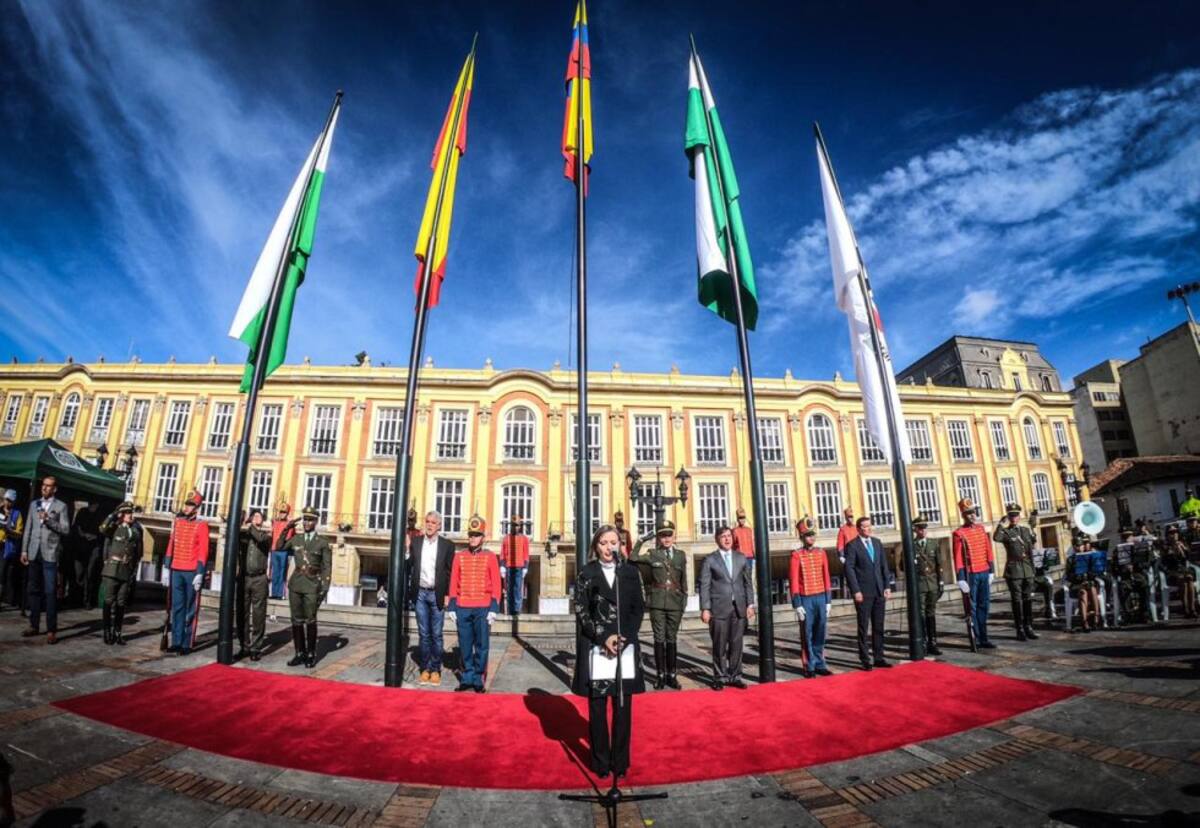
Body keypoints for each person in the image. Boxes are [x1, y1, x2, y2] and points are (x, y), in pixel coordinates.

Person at [572, 524, 645, 780]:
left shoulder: (630, 572)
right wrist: (604, 637)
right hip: (597, 647)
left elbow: (638, 608)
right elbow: (581, 610)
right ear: (596, 546)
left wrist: (623, 637)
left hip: (624, 645)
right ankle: (601, 761)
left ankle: (621, 761)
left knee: (623, 706)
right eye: (603, 542)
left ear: (620, 545)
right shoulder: (586, 573)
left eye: (613, 542)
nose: (608, 547)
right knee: (598, 707)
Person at [448, 514, 502, 693]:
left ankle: (479, 678)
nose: (473, 538)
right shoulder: (459, 556)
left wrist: (494, 607)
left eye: (477, 535)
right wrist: (452, 605)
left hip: (483, 606)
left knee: (481, 645)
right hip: (463, 606)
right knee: (464, 644)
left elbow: (496, 583)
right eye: (471, 534)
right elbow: (454, 580)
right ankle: (467, 676)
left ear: (483, 537)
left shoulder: (491, 557)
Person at [631, 519, 687, 689]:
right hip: (657, 602)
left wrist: (683, 602)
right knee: (659, 639)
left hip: (675, 602)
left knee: (672, 639)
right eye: (662, 535)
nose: (666, 539)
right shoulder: (653, 554)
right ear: (658, 538)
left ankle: (672, 675)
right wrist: (641, 540)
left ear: (674, 535)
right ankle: (660, 675)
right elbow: (633, 558)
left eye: (669, 535)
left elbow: (684, 581)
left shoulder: (681, 555)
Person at [699, 525, 756, 690]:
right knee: (719, 645)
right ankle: (719, 677)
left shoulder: (741, 557)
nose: (727, 539)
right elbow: (704, 585)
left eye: (729, 536)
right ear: (717, 539)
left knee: (737, 644)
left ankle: (735, 675)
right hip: (718, 609)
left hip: (739, 607)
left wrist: (750, 604)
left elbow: (748, 583)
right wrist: (705, 608)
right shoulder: (710, 560)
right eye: (723, 536)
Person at [408, 510, 455, 686]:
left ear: (439, 526)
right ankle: (425, 668)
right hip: (420, 593)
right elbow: (409, 564)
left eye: (433, 522)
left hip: (437, 594)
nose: (429, 525)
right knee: (423, 633)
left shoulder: (447, 545)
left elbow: (450, 572)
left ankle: (436, 669)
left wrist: (448, 595)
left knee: (436, 634)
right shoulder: (416, 542)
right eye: (427, 521)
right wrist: (406, 551)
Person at [22, 476, 69, 644]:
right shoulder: (34, 504)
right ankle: (34, 625)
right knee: (33, 589)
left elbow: (65, 529)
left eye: (48, 486)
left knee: (50, 592)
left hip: (50, 553)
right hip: (34, 552)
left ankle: (51, 629)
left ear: (54, 489)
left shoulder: (61, 507)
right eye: (43, 485)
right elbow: (28, 528)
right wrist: (24, 550)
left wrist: (49, 520)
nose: (44, 488)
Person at [282, 507, 331, 668]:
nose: (306, 523)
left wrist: (324, 587)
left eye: (310, 520)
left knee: (310, 619)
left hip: (312, 585)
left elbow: (326, 567)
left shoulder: (322, 542)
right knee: (296, 619)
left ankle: (311, 653)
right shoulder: (296, 539)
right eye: (305, 519)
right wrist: (287, 527)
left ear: (316, 522)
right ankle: (299, 653)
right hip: (296, 583)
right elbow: (278, 546)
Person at [842, 516, 893, 670]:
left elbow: (884, 565)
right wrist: (855, 590)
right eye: (865, 526)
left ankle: (879, 657)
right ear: (858, 529)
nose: (869, 528)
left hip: (879, 591)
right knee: (863, 626)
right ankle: (865, 658)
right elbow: (849, 569)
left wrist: (887, 585)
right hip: (863, 593)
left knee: (879, 626)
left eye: (870, 526)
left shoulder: (877, 543)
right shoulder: (852, 546)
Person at [164, 490, 210, 655]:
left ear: (196, 508)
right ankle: (176, 641)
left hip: (191, 571)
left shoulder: (202, 525)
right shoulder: (178, 521)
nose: (186, 507)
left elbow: (203, 549)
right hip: (176, 568)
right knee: (177, 607)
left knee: (190, 609)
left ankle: (186, 643)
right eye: (186, 504)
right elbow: (172, 542)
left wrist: (200, 572)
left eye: (190, 505)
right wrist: (167, 564)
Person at [789, 517, 832, 677]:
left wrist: (828, 600)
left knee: (820, 630)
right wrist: (797, 604)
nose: (811, 538)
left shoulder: (821, 553)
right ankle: (809, 665)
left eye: (812, 535)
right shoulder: (796, 555)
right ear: (802, 537)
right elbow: (793, 580)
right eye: (808, 535)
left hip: (820, 596)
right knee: (807, 633)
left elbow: (826, 575)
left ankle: (820, 663)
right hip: (806, 599)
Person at [953, 498, 996, 649]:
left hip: (984, 571)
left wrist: (991, 570)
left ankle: (984, 637)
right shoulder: (959, 533)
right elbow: (958, 557)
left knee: (984, 606)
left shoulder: (981, 529)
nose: (972, 515)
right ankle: (976, 638)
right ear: (963, 515)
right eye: (968, 513)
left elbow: (988, 550)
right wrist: (961, 578)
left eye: (973, 512)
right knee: (973, 608)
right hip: (971, 574)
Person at [97, 501, 142, 645]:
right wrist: (113, 515)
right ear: (122, 515)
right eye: (127, 513)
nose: (130, 515)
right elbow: (102, 529)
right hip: (112, 569)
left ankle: (117, 633)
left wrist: (133, 569)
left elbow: (138, 552)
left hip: (125, 570)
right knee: (109, 601)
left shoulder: (134, 531)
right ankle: (107, 632)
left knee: (121, 602)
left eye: (131, 513)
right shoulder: (115, 528)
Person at [993, 503, 1039, 642]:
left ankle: (1029, 627)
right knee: (1017, 601)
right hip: (1014, 570)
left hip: (1027, 568)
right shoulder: (1006, 532)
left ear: (1019, 516)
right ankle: (1019, 629)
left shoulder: (1025, 530)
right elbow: (996, 538)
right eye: (1011, 516)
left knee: (1028, 599)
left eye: (1016, 515)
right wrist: (1000, 524)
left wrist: (1033, 527)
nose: (1014, 518)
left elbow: (1033, 542)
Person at [237, 509, 272, 661]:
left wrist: (250, 525)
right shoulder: (244, 534)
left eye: (259, 516)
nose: (256, 517)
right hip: (244, 578)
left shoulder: (266, 536)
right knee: (241, 613)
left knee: (258, 614)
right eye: (254, 515)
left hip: (259, 578)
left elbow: (260, 538)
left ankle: (256, 648)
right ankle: (244, 645)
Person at [910, 514, 944, 656]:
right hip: (920, 585)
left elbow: (939, 564)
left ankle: (933, 642)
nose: (923, 531)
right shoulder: (911, 545)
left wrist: (940, 582)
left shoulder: (933, 543)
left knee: (931, 613)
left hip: (932, 583)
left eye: (924, 528)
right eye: (920, 528)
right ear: (915, 530)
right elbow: (902, 566)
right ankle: (922, 642)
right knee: (922, 614)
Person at [72, 501, 104, 609]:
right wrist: (83, 534)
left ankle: (86, 600)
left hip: (94, 547)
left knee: (90, 575)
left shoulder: (100, 515)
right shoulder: (82, 512)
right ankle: (77, 598)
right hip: (81, 546)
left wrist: (94, 536)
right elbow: (77, 526)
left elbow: (102, 531)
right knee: (79, 573)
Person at [1065, 534, 1100, 632]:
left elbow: (1095, 572)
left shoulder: (1089, 557)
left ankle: (1096, 618)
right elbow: (1068, 576)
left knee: (1093, 589)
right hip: (1076, 585)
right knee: (1083, 593)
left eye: (1080, 545)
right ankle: (1084, 622)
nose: (1079, 547)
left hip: (1088, 582)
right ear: (1074, 547)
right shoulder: (1071, 559)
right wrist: (1077, 576)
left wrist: (1090, 571)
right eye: (1077, 545)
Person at [1162, 525, 1197, 618]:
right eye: (1171, 533)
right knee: (1183, 581)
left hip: (1184, 569)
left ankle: (1192, 608)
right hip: (1172, 571)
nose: (1174, 534)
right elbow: (1165, 562)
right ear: (1168, 535)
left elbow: (1189, 558)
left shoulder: (1183, 543)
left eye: (1175, 532)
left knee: (1189, 579)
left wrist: (1183, 549)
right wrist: (1172, 550)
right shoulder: (1165, 546)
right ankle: (1185, 608)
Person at [499, 514, 530, 615]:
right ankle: (510, 608)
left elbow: (526, 553)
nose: (515, 527)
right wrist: (502, 565)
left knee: (517, 588)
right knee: (509, 588)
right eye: (513, 525)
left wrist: (525, 566)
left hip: (519, 566)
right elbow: (503, 553)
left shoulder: (524, 539)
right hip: (508, 566)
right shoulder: (506, 538)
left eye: (517, 525)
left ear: (520, 526)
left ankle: (517, 609)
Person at [0, 490, 24, 613]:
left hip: (7, 547)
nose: (6, 502)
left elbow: (19, 534)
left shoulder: (17, 514)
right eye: (5, 499)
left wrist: (8, 531)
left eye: (9, 500)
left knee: (3, 573)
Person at [268, 502, 295, 601]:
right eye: (281, 512)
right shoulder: (274, 522)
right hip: (274, 549)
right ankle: (274, 593)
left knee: (282, 572)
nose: (282, 514)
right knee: (274, 572)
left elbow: (291, 537)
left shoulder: (289, 524)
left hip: (284, 550)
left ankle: (280, 593)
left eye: (284, 512)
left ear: (287, 513)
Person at [731, 507, 755, 574]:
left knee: (748, 575)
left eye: (743, 518)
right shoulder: (734, 530)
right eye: (740, 518)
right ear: (737, 519)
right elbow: (732, 545)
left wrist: (754, 554)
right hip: (739, 557)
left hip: (750, 556)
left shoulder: (749, 530)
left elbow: (752, 543)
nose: (742, 520)